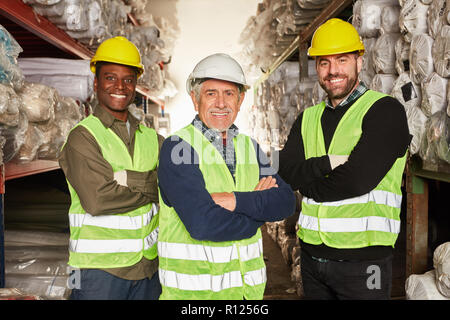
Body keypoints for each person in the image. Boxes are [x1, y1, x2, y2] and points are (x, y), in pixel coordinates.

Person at [278, 18, 412, 300]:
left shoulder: (385, 111)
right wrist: (326, 165)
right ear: (317, 68)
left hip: (365, 264)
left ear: (359, 62)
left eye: (342, 60)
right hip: (313, 259)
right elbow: (287, 172)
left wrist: (308, 186)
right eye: (324, 62)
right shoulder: (307, 119)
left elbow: (356, 180)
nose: (333, 70)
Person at [157, 53, 296, 300]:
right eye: (211, 93)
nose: (221, 103)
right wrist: (259, 213)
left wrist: (236, 201)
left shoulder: (249, 147)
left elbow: (286, 201)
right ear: (195, 98)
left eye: (229, 93)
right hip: (196, 297)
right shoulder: (178, 148)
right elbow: (202, 224)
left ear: (240, 99)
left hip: (246, 294)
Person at [59, 36, 163, 300]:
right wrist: (152, 184)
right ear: (96, 82)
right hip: (97, 273)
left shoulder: (151, 137)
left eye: (128, 79)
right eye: (110, 77)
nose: (120, 86)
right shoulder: (83, 136)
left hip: (148, 268)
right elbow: (97, 200)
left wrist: (127, 179)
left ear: (136, 84)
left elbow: (173, 187)